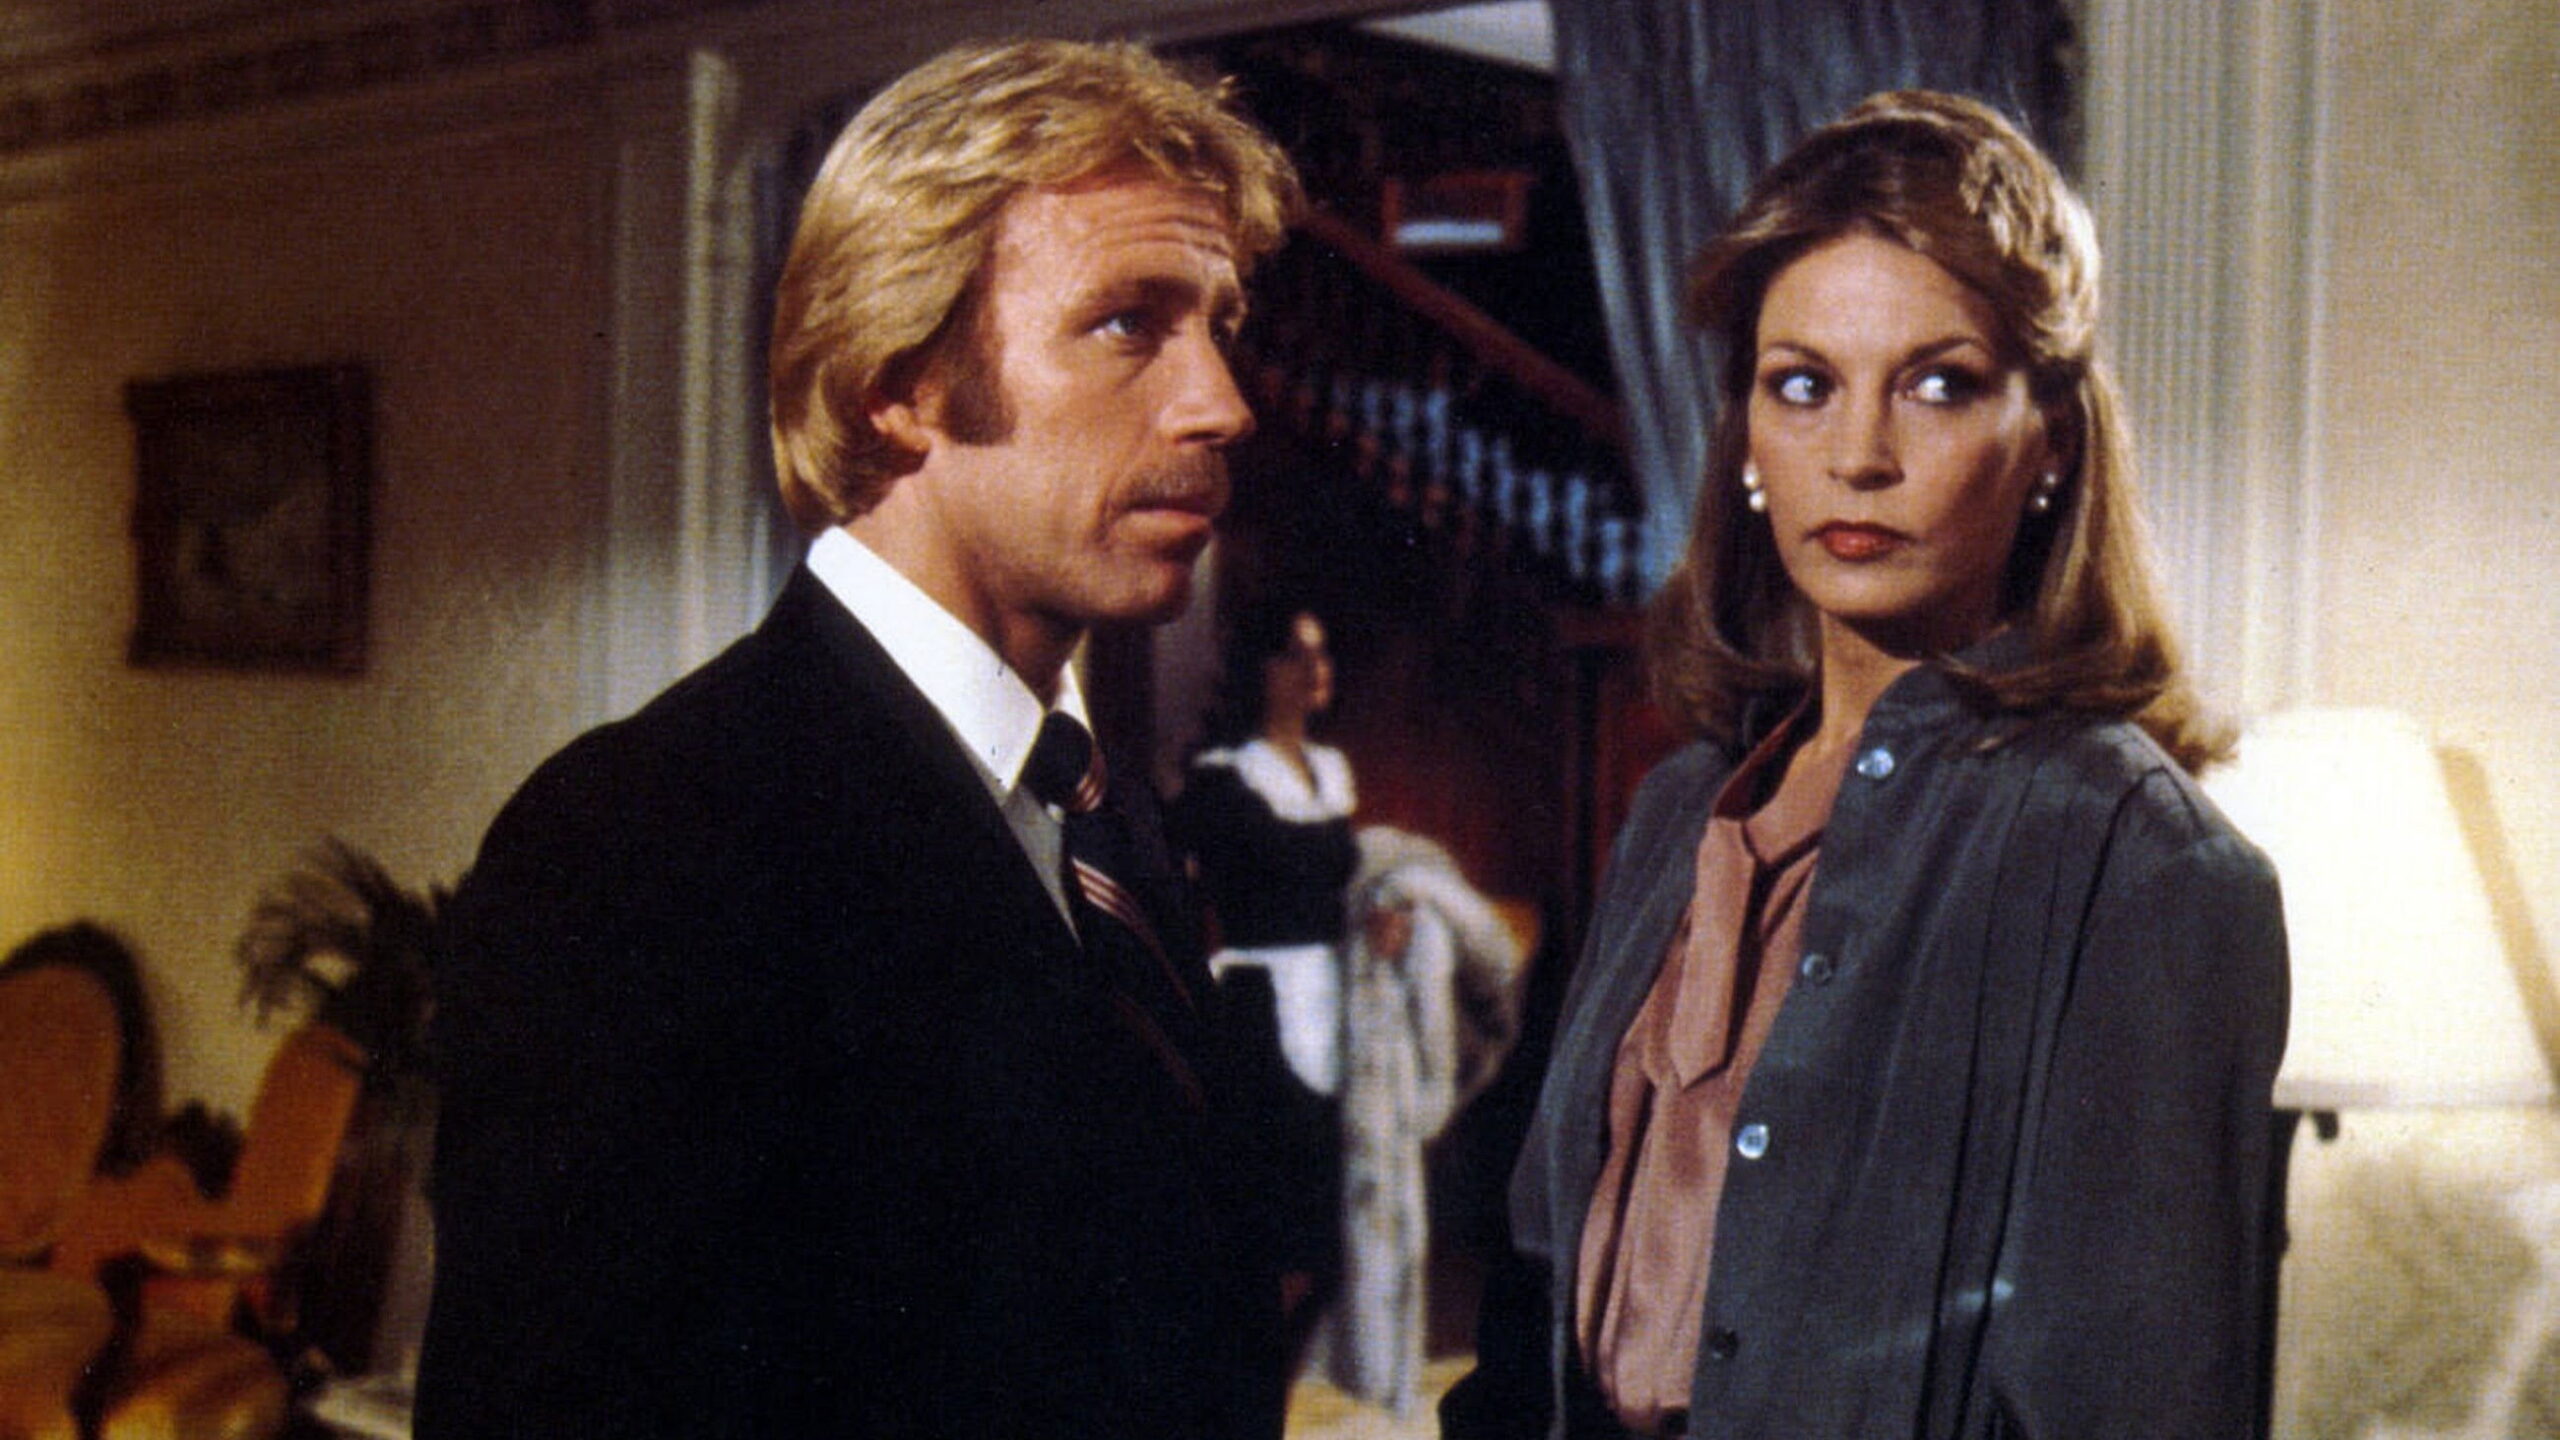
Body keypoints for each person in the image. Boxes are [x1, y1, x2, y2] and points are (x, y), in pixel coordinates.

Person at [416, 39, 1300, 1440]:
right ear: (899, 378)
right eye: (1130, 324)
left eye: (1220, 327)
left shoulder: (1101, 810)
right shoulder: (642, 843)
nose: (1221, 404)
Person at [1441, 91, 2289, 1440]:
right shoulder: (1682, 804)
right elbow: (1539, 1286)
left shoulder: (2138, 863)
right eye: (1803, 385)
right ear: (1747, 437)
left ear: (2050, 442)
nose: (1859, 456)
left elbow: (2136, 1405)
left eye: (1938, 385)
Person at [1174, 602, 1362, 1411]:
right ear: (1260, 669)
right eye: (1295, 653)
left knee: (1325, 1245)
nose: (1315, 669)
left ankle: (1275, 1400)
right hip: (1257, 1014)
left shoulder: (1330, 770)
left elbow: (1342, 886)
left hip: (1337, 1003)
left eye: (1323, 653)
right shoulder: (1225, 777)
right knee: (1269, 1246)